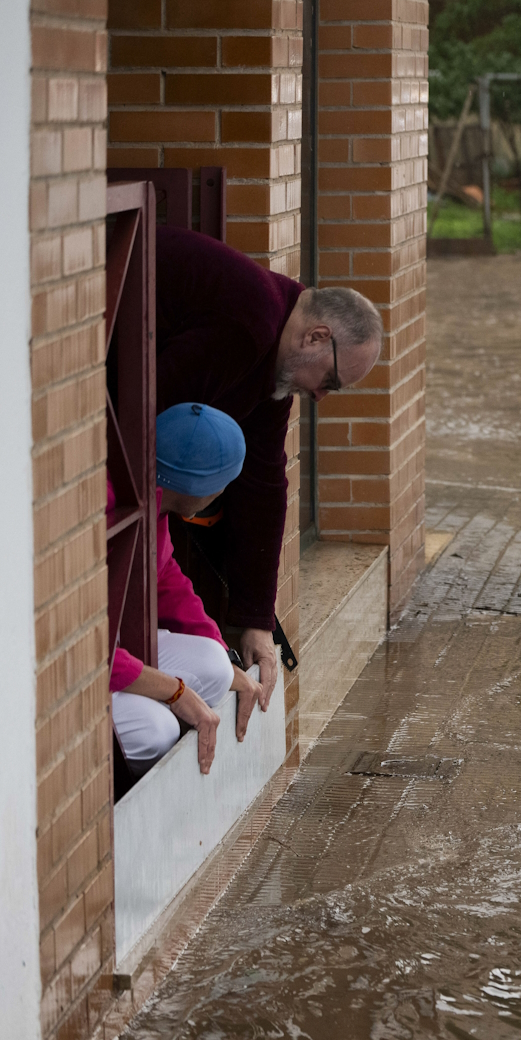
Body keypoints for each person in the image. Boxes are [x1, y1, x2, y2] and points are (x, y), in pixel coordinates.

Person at [154, 226, 384, 712]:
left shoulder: (275, 349)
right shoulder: (249, 325)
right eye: (330, 381)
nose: (319, 396)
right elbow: (146, 421)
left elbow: (263, 482)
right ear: (317, 336)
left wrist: (255, 619)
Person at [111, 403, 270, 775]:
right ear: (201, 487)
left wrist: (228, 658)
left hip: (114, 648)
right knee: (156, 730)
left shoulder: (154, 502)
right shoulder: (113, 508)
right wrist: (175, 692)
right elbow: (86, 652)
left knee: (216, 667)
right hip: (78, 667)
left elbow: (165, 575)